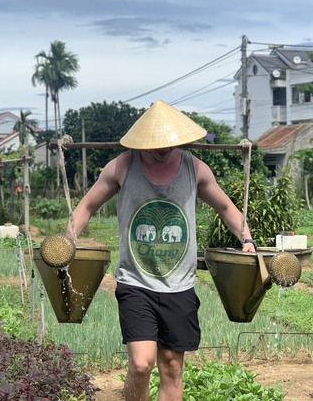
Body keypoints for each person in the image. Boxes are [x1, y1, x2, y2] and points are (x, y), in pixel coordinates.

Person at [67, 100, 256, 400]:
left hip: (179, 284)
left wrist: (247, 239)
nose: (162, 149)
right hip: (135, 282)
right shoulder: (122, 166)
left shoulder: (195, 169)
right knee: (141, 364)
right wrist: (68, 240)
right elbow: (86, 207)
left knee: (171, 366)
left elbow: (225, 207)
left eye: (168, 144)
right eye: (155, 144)